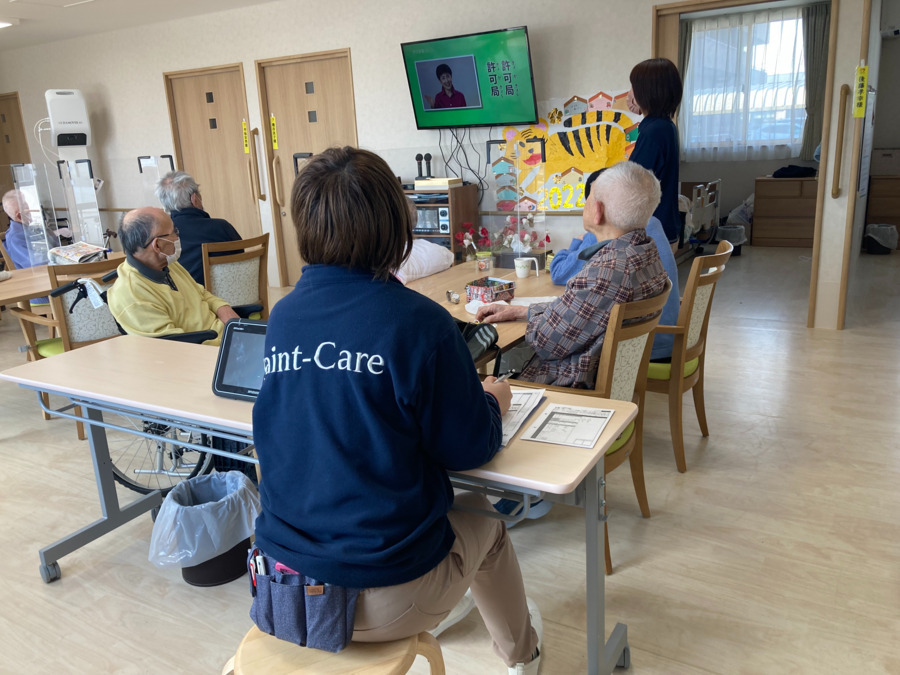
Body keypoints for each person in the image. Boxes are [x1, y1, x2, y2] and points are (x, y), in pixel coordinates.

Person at [251, 147, 543, 674]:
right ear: (398, 226)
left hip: (280, 579)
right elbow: (470, 446)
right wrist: (491, 401)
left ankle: (449, 608)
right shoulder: (419, 323)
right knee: (487, 526)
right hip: (379, 594)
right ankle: (523, 657)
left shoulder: (285, 315)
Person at [476, 161, 669, 388]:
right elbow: (582, 311)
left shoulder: (606, 272)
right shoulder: (643, 250)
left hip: (566, 385)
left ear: (597, 211)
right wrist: (522, 310)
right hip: (605, 378)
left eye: (589, 196)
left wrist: (537, 320)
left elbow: (544, 340)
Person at [550, 169, 680, 361]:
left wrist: (577, 241)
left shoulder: (609, 233)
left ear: (599, 210)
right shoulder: (648, 226)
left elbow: (559, 272)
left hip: (638, 353)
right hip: (666, 338)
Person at [107, 207, 239, 346]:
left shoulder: (166, 263)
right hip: (212, 353)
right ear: (157, 245)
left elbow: (201, 293)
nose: (177, 237)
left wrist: (225, 311)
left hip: (229, 337)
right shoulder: (132, 296)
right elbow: (177, 348)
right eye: (174, 232)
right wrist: (232, 344)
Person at [627, 58, 683, 245]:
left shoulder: (653, 132)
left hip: (653, 232)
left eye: (634, 86)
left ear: (646, 91)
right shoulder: (664, 126)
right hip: (664, 228)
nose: (630, 93)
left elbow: (631, 183)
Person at [155, 171, 242, 286]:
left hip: (183, 300)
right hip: (230, 297)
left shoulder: (161, 237)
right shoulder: (222, 227)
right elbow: (242, 259)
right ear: (194, 199)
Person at [2, 189, 56, 306]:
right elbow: (39, 265)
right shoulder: (16, 237)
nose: (34, 210)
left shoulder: (29, 228)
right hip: (41, 291)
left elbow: (53, 246)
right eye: (30, 207)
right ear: (19, 215)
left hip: (50, 280)